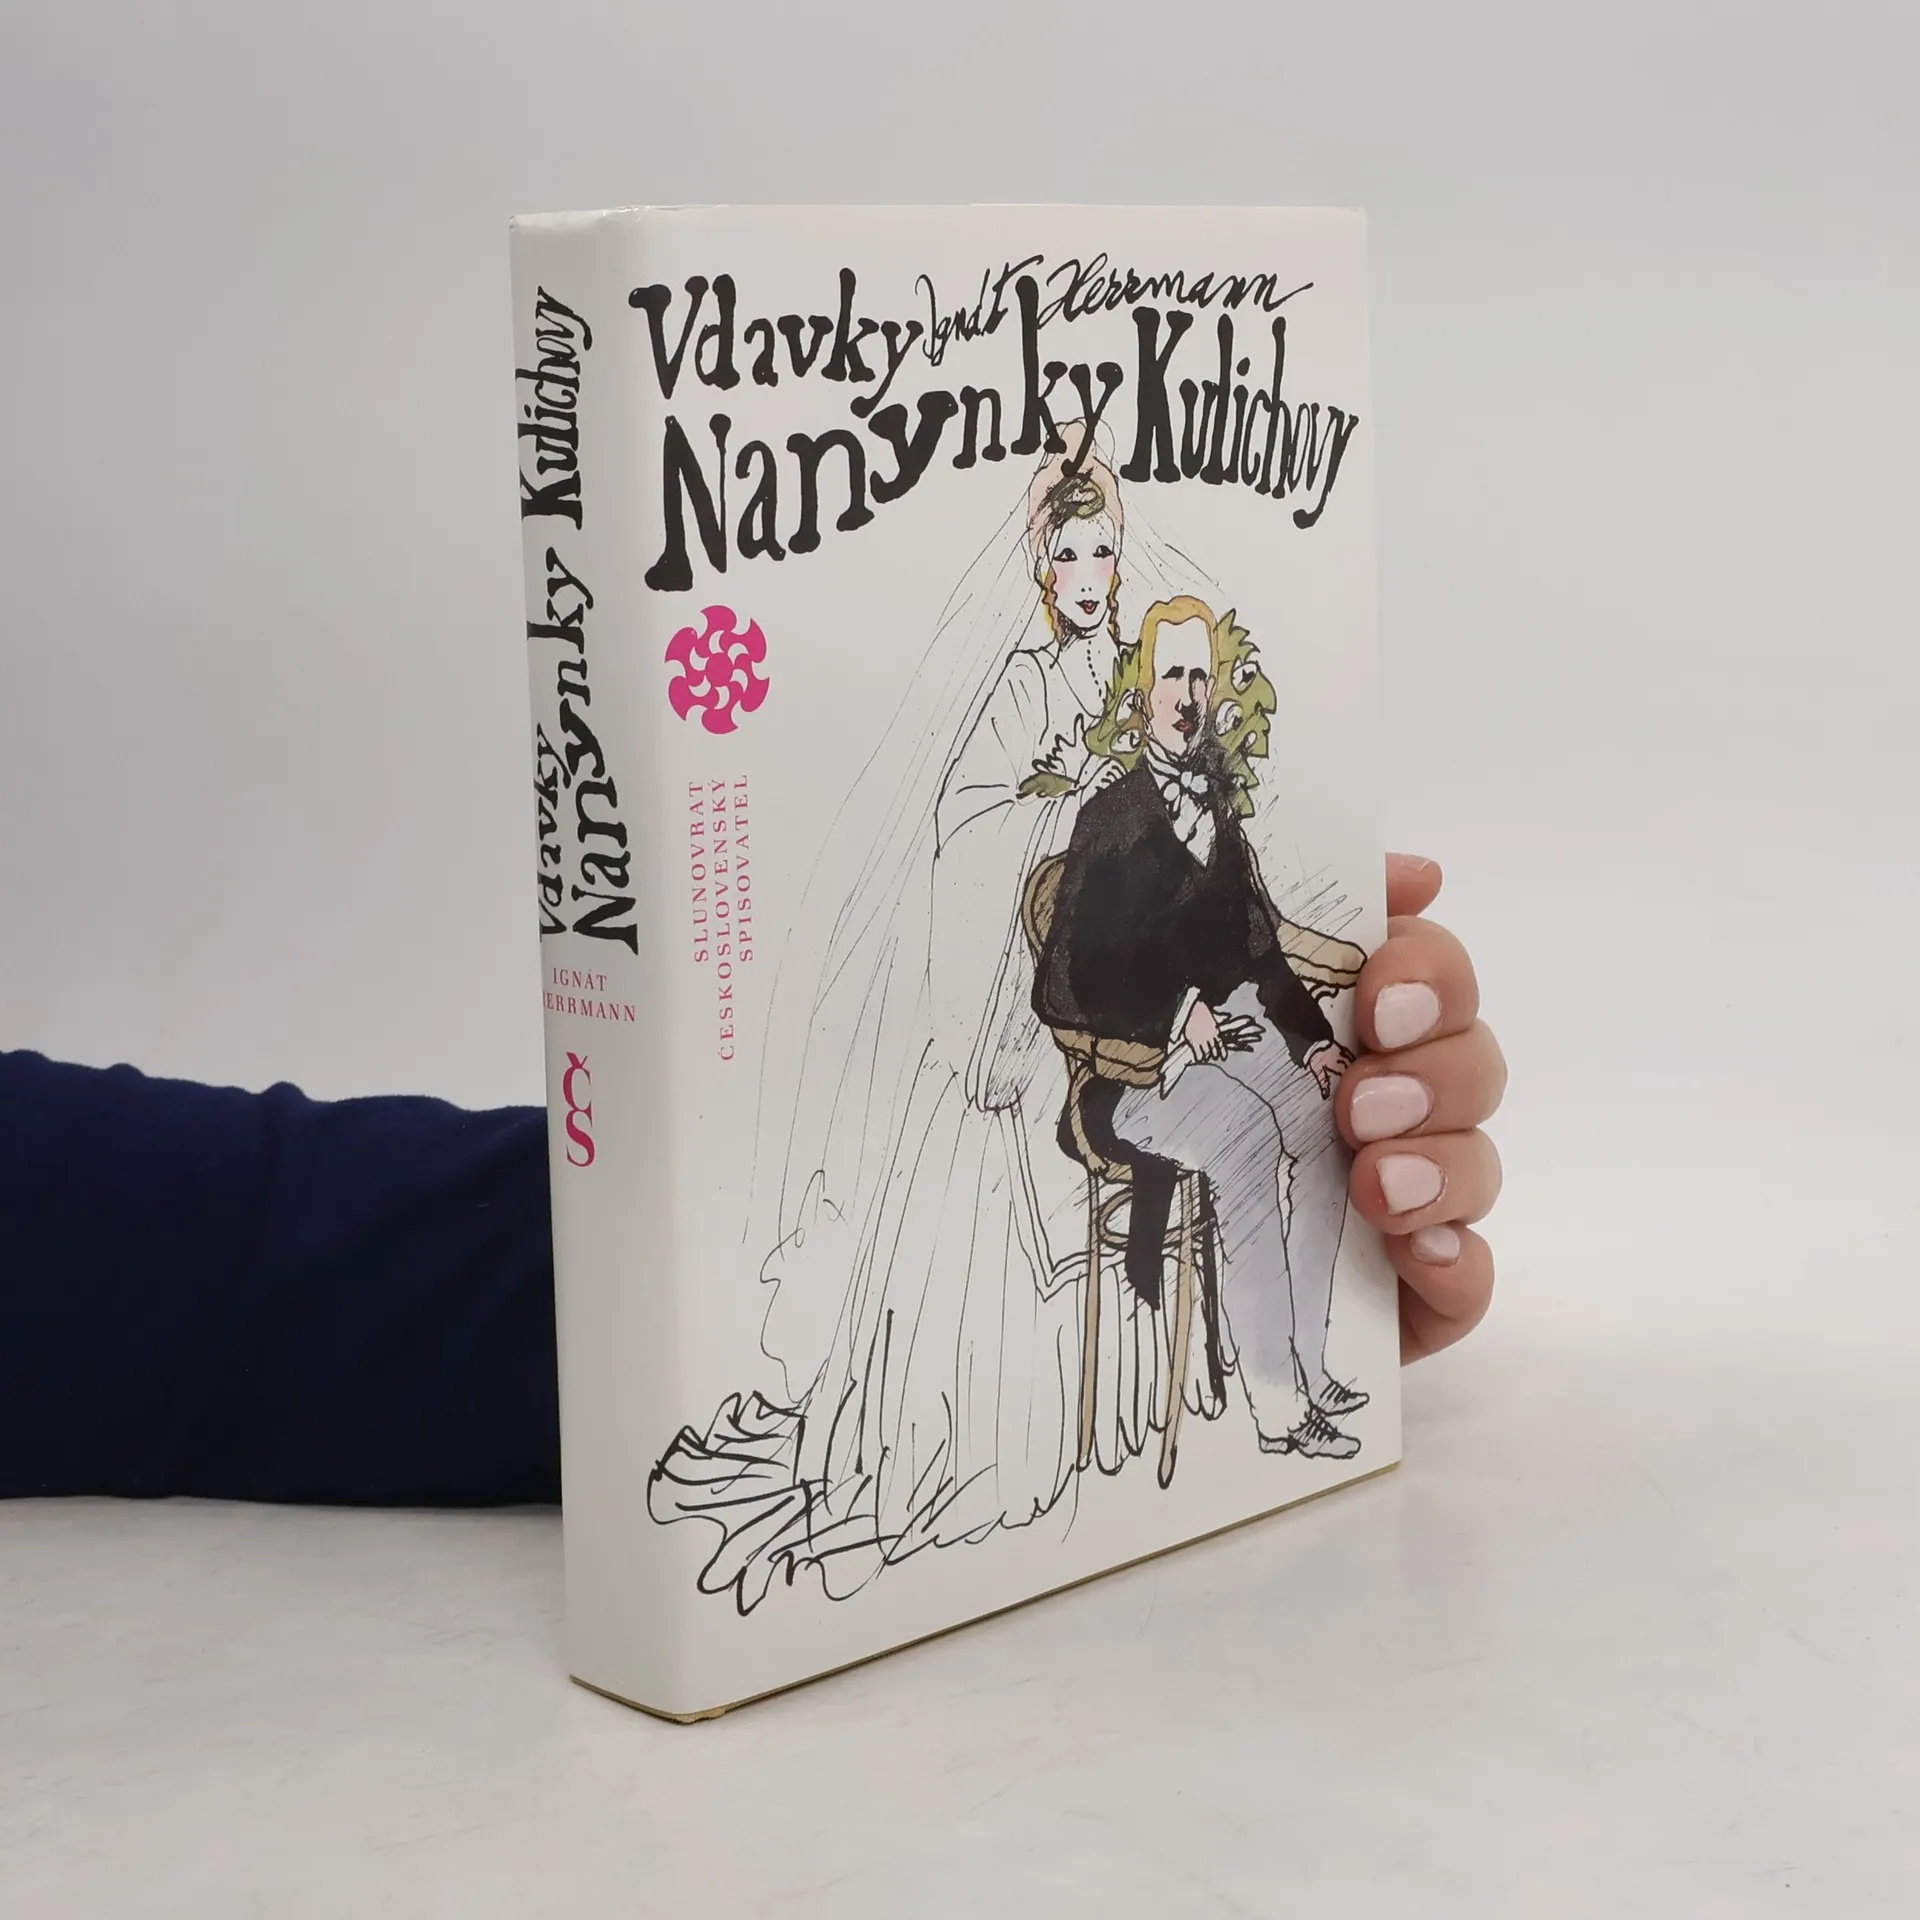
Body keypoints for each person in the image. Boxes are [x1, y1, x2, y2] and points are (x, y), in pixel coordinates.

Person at [0, 846, 1502, 1507]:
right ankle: (1283, 1387)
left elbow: (245, 1260)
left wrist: (776, 1249)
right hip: (1112, 1084)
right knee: (1242, 1131)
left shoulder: (1196, 828)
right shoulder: (1101, 834)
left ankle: (1294, 1371)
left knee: (1285, 1116)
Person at [1033, 595, 1367, 1461]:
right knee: (1249, 1143)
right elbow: (1063, 983)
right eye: (1171, 675)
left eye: (1199, 677)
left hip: (1231, 1049)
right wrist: (1174, 1010)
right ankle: (1280, 1410)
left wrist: (1313, 1042)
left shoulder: (1218, 814)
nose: (1186, 695)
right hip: (1130, 1077)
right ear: (1143, 690)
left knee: (1326, 1125)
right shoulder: (1108, 822)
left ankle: (1308, 1358)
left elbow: (1259, 948)